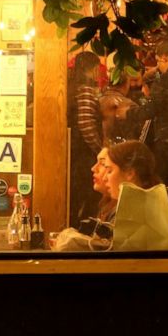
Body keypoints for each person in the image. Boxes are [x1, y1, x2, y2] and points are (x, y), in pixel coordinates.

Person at [121, 30, 168, 186]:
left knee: (166, 184)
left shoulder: (166, 79)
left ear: (165, 58)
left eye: (158, 62)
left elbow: (153, 107)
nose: (157, 67)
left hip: (167, 139)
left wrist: (128, 113)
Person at [68, 51, 103, 224]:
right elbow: (86, 124)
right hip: (84, 153)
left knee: (75, 195)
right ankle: (83, 229)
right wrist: (100, 149)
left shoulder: (73, 87)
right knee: (90, 194)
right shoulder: (86, 90)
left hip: (75, 151)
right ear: (93, 68)